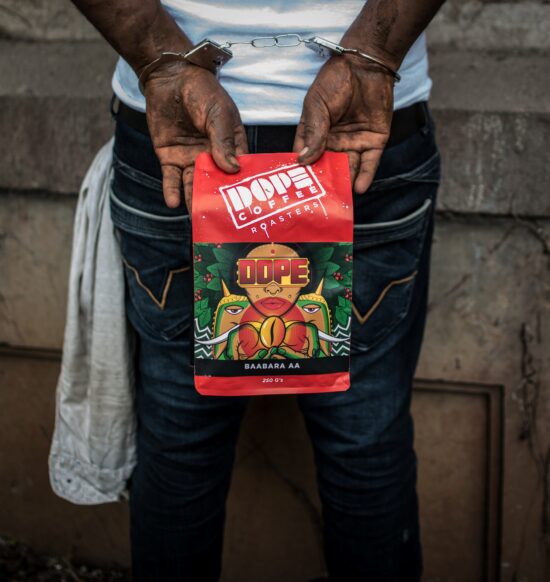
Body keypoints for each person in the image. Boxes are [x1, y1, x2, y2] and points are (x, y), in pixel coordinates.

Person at [71, 1, 444, 580]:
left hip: (185, 135)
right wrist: (375, 54)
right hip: (356, 131)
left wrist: (160, 62)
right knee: (363, 449)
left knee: (180, 452)